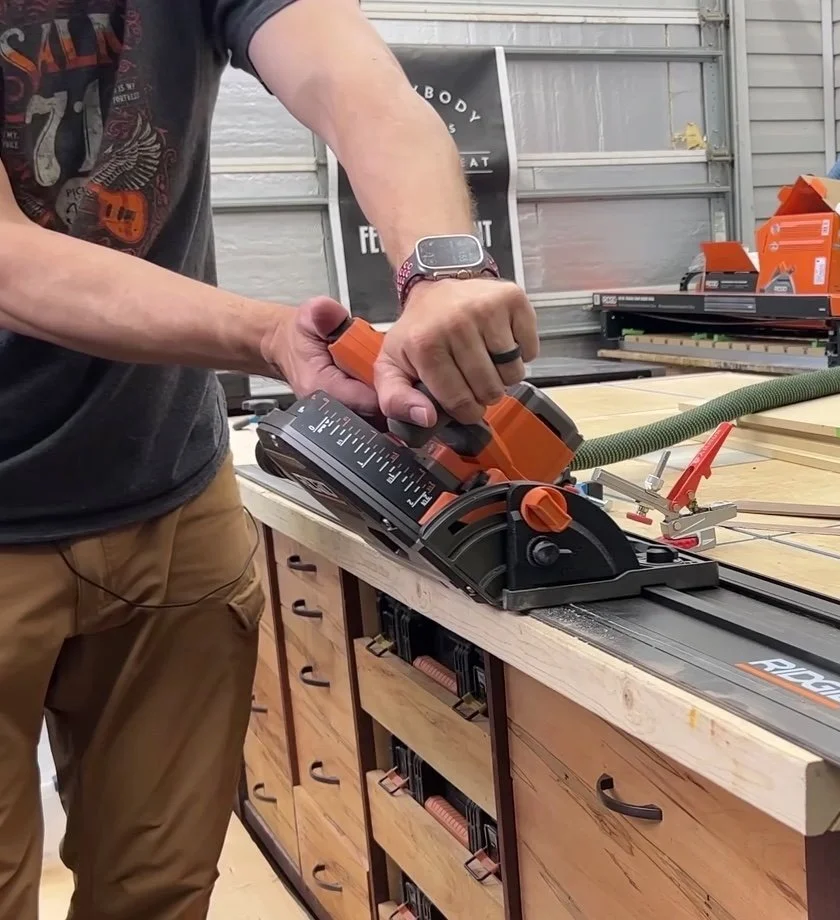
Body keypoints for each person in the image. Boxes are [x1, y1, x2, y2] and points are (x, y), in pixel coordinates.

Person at [0, 0, 539, 916]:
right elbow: (9, 260)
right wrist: (268, 336)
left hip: (169, 496)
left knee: (158, 890)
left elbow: (356, 81)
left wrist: (443, 270)